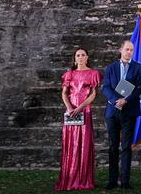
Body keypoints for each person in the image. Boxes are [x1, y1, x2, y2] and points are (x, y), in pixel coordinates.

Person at [55, 48, 101, 191]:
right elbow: (64, 93)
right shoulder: (69, 74)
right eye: (78, 55)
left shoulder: (93, 73)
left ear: (87, 57)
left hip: (84, 110)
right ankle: (70, 177)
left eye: (83, 55)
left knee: (84, 143)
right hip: (71, 111)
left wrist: (80, 107)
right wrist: (69, 108)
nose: (80, 57)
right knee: (71, 143)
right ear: (75, 58)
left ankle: (83, 179)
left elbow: (93, 94)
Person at [102, 40, 141, 190]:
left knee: (126, 146)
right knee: (113, 146)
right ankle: (112, 180)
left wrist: (125, 100)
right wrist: (116, 100)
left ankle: (125, 181)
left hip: (129, 111)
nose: (129, 52)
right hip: (112, 111)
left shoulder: (139, 68)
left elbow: (139, 88)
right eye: (127, 49)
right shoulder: (110, 68)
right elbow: (106, 88)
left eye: (131, 50)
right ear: (120, 50)